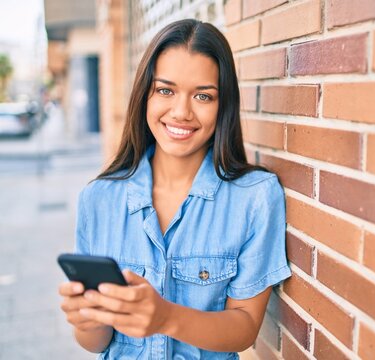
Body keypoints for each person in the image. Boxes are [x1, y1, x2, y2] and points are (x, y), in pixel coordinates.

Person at [58, 19, 291, 359]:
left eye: (203, 96)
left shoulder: (255, 197)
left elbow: (244, 329)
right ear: (145, 96)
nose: (181, 112)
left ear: (222, 105)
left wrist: (166, 318)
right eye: (165, 90)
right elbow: (95, 343)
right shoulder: (98, 199)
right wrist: (86, 320)